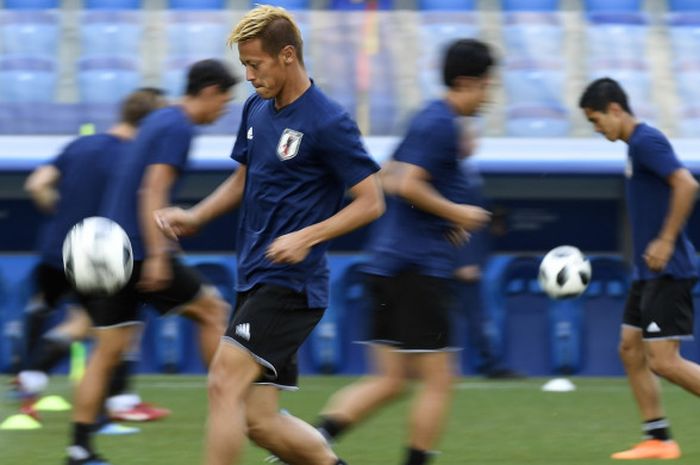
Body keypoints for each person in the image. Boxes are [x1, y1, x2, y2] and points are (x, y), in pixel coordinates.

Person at [155, 6, 384, 465]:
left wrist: (307, 237)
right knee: (259, 420)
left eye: (254, 65)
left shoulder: (328, 120)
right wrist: (196, 216)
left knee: (223, 381)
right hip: (253, 278)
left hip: (291, 283)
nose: (248, 76)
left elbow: (371, 201)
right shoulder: (256, 108)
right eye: (244, 66)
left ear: (286, 56)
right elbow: (243, 180)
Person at [314, 38, 494, 465]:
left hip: (388, 262)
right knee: (439, 380)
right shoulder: (441, 122)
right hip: (417, 269)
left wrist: (440, 220)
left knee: (390, 380)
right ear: (468, 82)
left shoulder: (428, 119)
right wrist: (458, 213)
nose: (489, 95)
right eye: (488, 86)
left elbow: (391, 172)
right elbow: (404, 183)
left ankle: (303, 443)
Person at [65, 59, 236, 465]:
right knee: (214, 310)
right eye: (225, 102)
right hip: (140, 250)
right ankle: (230, 405)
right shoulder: (178, 126)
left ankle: (78, 448)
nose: (223, 111)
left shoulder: (158, 120)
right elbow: (152, 190)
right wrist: (159, 255)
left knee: (107, 348)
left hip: (112, 247)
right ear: (209, 91)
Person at [19, 88, 171, 426]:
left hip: (55, 252)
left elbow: (36, 184)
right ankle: (116, 403)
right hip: (98, 255)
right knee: (120, 327)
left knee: (79, 324)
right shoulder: (135, 156)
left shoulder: (80, 145)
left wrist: (59, 212)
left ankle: (31, 380)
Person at [579, 77, 699, 460]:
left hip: (668, 269)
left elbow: (686, 184)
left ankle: (660, 439)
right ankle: (659, 438)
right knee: (630, 349)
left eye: (596, 120)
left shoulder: (647, 141)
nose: (597, 130)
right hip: (646, 272)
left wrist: (665, 240)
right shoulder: (635, 148)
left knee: (664, 361)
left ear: (615, 109)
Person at [452, 121, 523, 379]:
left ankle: (489, 362)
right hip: (458, 263)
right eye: (471, 138)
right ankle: (490, 364)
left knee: (476, 316)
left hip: (470, 260)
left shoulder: (467, 169)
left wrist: (494, 220)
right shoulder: (453, 172)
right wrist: (463, 260)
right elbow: (452, 218)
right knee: (474, 317)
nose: (475, 143)